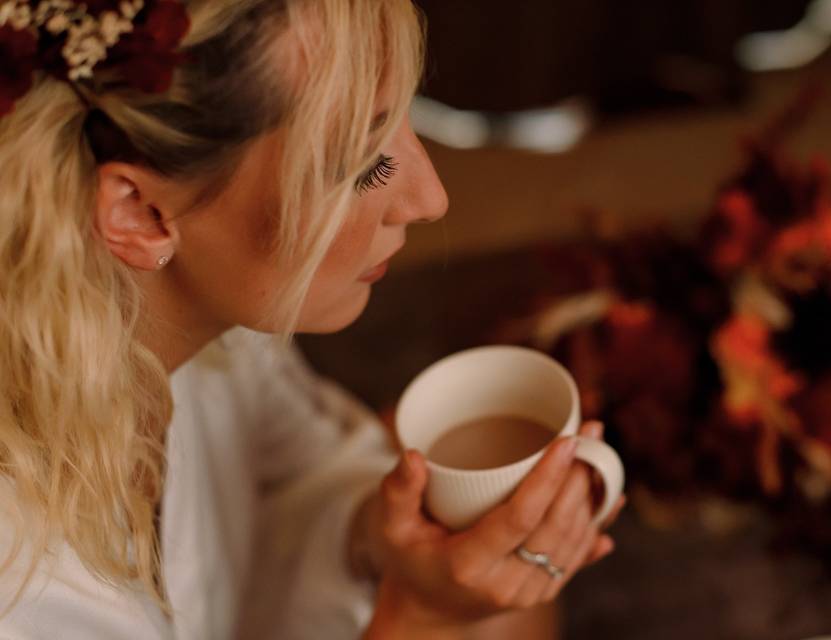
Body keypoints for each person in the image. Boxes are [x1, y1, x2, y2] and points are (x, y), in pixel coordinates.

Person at [0, 1, 624, 638]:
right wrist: (421, 617)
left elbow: (300, 466)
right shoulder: (16, 583)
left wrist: (389, 536)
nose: (430, 198)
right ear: (138, 212)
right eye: (363, 161)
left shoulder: (212, 337)